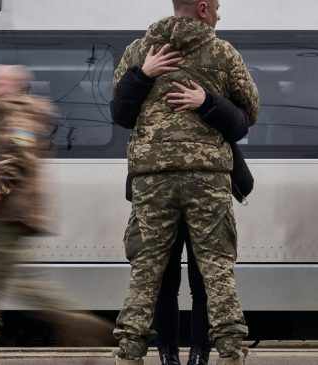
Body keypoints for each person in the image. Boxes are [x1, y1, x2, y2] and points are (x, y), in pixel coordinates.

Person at [112, 0, 259, 364]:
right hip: (206, 179)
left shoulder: (138, 49)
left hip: (151, 180)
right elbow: (246, 117)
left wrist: (142, 76)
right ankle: (230, 351)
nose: (220, 14)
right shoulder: (222, 52)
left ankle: (129, 353)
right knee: (216, 267)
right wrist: (210, 100)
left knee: (147, 271)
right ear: (204, 8)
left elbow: (119, 113)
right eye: (219, 7)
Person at [0, 65, 111, 365]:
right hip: (8, 213)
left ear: (14, 84)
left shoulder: (18, 113)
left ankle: (79, 324)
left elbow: (17, 157)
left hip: (11, 212)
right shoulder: (5, 112)